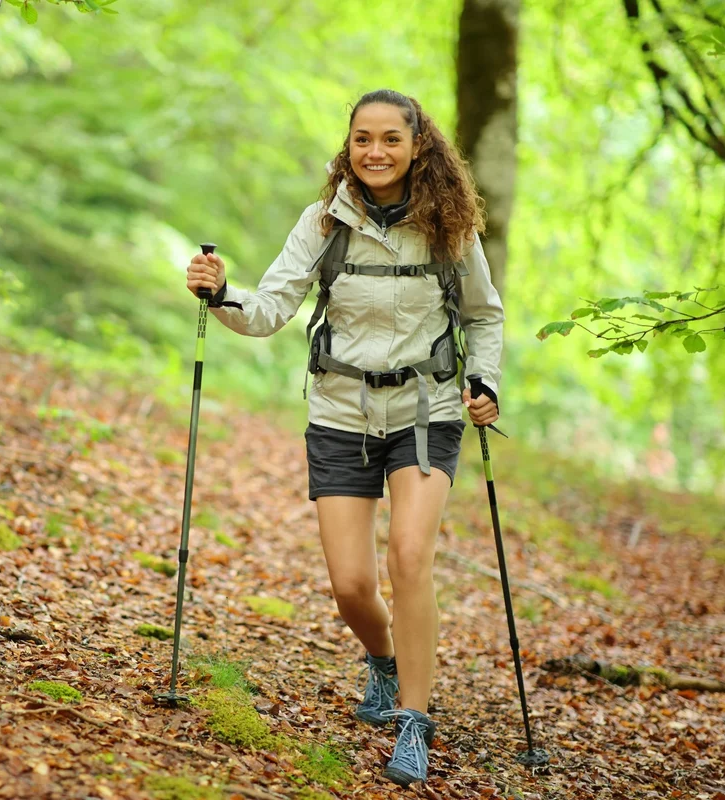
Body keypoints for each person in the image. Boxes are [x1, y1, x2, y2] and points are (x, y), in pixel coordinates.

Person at [184, 89, 503, 787]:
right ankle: (384, 661)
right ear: (348, 145)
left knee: (410, 556)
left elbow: (484, 317)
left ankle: (414, 722)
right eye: (363, 138)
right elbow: (270, 308)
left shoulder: (449, 226)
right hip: (339, 412)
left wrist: (484, 381)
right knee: (353, 587)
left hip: (427, 410)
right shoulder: (323, 221)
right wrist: (221, 293)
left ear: (419, 146)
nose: (376, 152)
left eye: (391, 138)